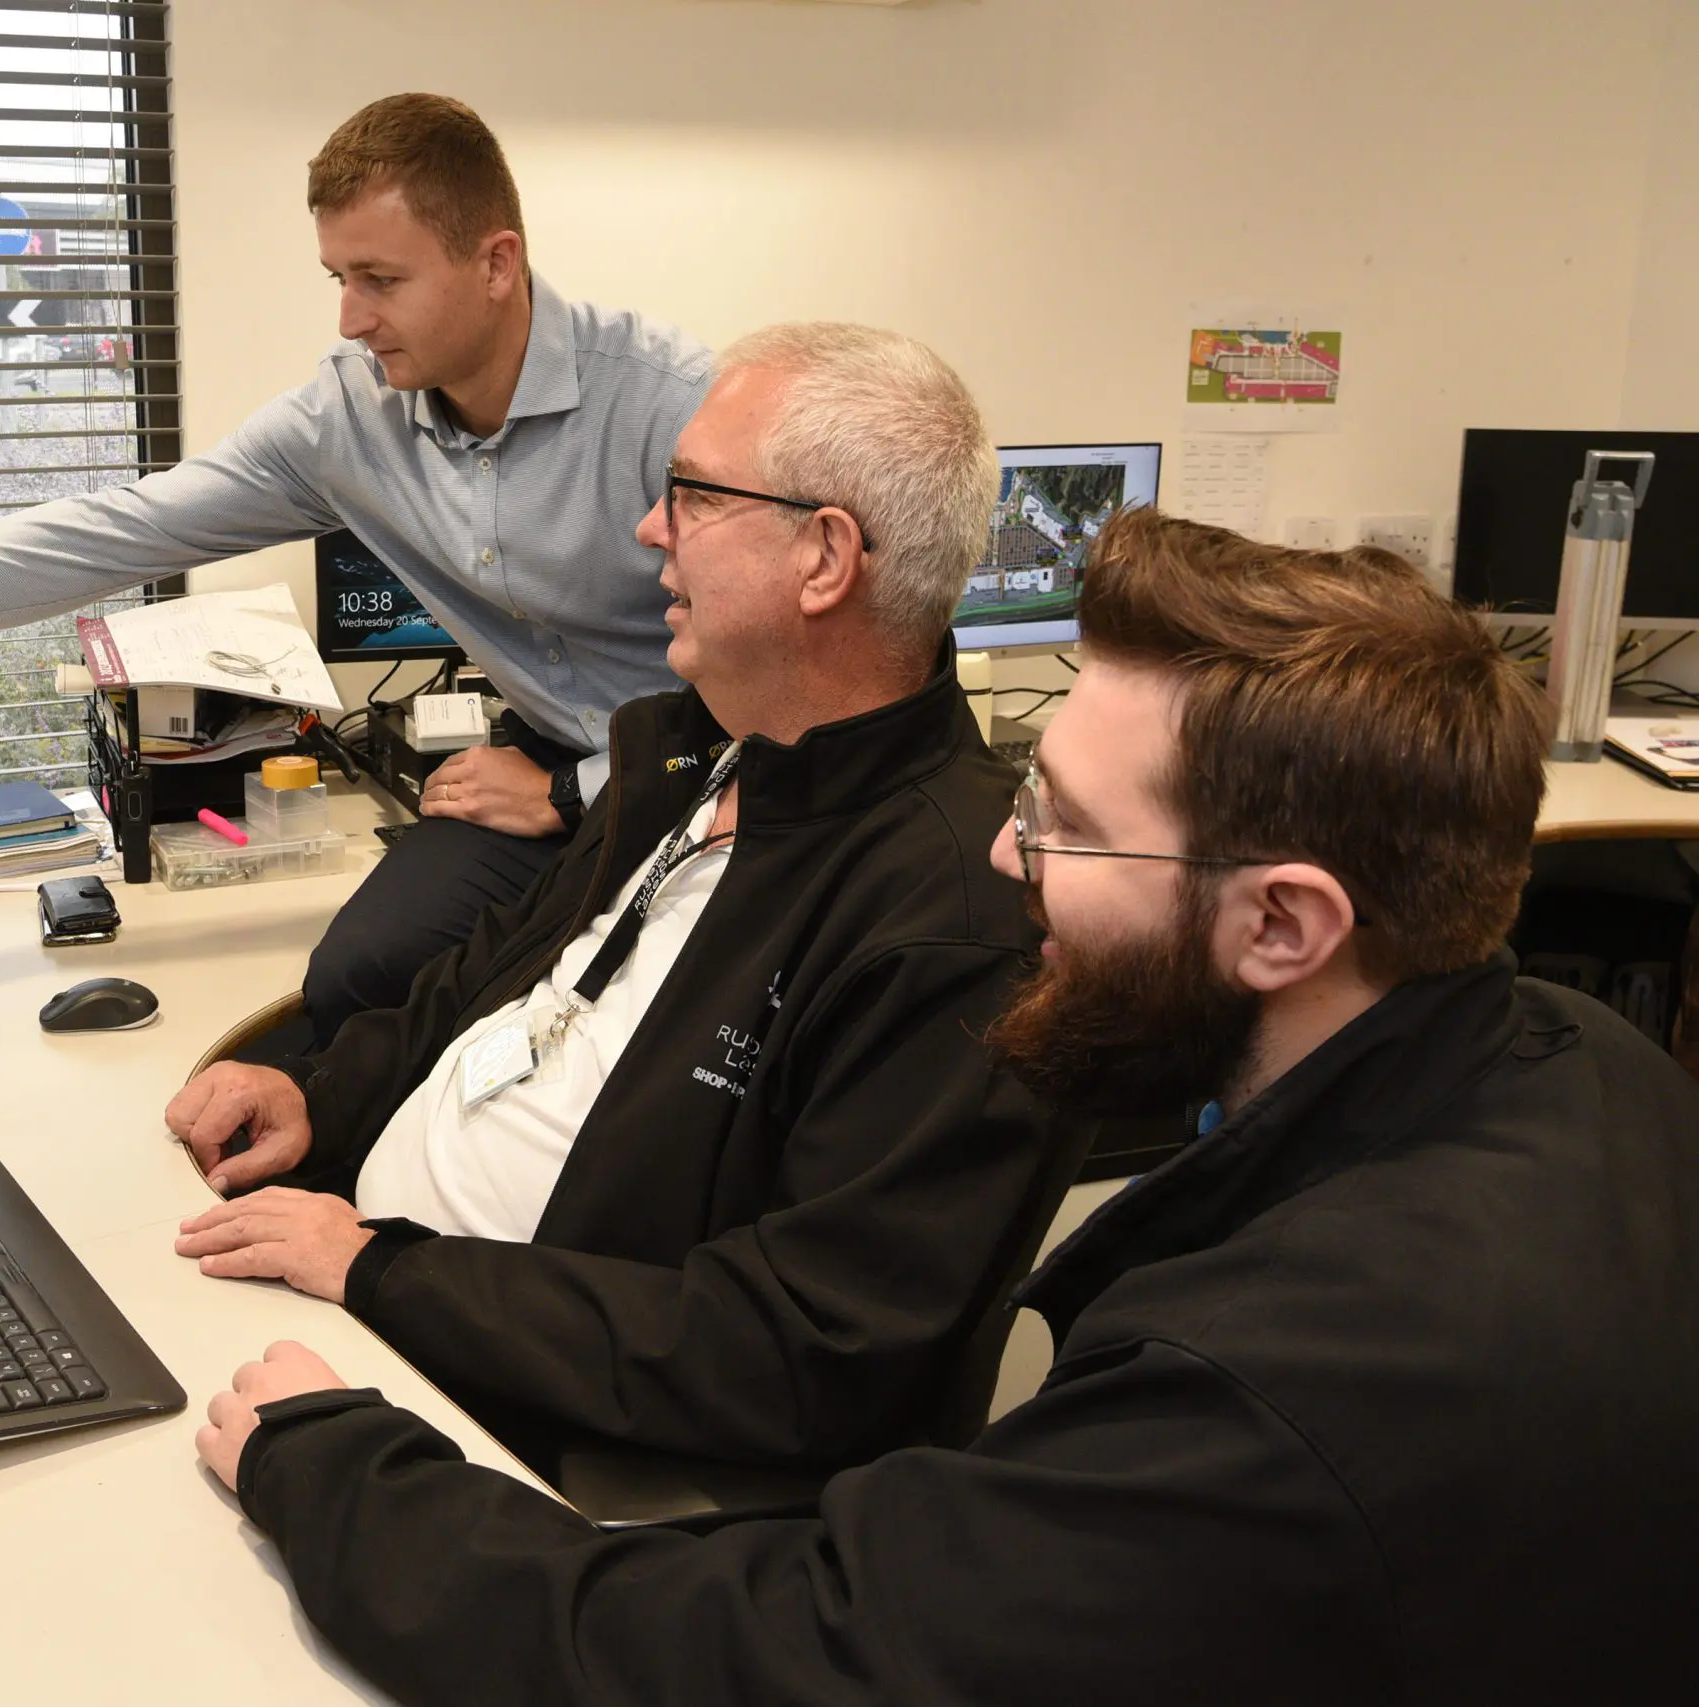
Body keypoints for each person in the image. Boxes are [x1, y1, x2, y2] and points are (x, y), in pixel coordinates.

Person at [187, 508, 1699, 1706]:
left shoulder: (1276, 1391)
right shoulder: (1576, 1057)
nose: (1002, 860)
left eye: (1064, 829)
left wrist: (338, 1465)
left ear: (1287, 925)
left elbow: (780, 1653)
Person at [0, 93, 711, 1046]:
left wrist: (578, 790)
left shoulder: (673, 406)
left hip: (726, 764)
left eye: (380, 278)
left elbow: (824, 673)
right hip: (547, 758)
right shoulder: (347, 422)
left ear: (497, 262)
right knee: (361, 984)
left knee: (652, 1027)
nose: (349, 317)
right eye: (337, 276)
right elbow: (109, 532)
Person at [165, 323, 1063, 1477]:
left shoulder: (954, 916)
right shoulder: (694, 753)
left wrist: (379, 1267)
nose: (650, 529)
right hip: (380, 1301)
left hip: (539, 1444)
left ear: (824, 559)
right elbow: (487, 982)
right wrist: (318, 1099)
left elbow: (798, 1353)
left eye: (688, 495)